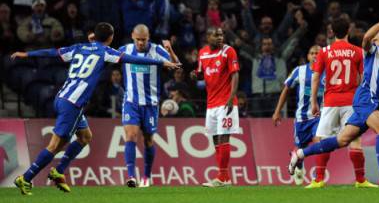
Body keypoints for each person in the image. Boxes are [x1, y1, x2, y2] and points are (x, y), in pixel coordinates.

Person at [11, 22, 180, 196]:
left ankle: (59, 171)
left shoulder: (78, 47)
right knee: (54, 146)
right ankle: (26, 178)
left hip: (62, 97)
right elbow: (133, 58)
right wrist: (160, 62)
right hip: (73, 104)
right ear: (111, 38)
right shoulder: (106, 52)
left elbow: (51, 53)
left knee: (85, 137)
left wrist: (26, 54)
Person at [289, 3, 379, 187]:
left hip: (375, 103)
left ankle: (300, 154)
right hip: (365, 98)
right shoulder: (371, 50)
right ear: (376, 38)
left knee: (342, 140)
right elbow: (367, 36)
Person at [309, 18, 377, 188]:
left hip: (330, 102)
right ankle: (360, 180)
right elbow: (363, 79)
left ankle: (318, 180)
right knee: (355, 141)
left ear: (332, 31)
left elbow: (316, 77)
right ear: (349, 31)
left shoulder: (324, 52)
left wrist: (313, 102)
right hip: (351, 102)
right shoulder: (357, 52)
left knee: (323, 140)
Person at [119, 24, 180, 188]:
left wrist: (170, 50)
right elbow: (104, 56)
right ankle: (131, 177)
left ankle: (146, 176)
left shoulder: (157, 50)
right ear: (132, 36)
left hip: (151, 104)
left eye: (143, 40)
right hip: (131, 102)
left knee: (148, 140)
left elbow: (177, 65)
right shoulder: (125, 49)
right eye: (138, 39)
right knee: (130, 136)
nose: (140, 43)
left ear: (148, 37)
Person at [190, 27, 240, 187]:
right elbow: (200, 73)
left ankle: (222, 177)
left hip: (226, 102)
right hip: (211, 104)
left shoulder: (228, 51)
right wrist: (195, 74)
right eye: (216, 35)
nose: (220, 37)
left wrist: (232, 98)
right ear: (207, 37)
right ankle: (224, 178)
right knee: (215, 140)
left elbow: (235, 74)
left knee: (223, 137)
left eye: (221, 34)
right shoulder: (202, 53)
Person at [272, 45, 323, 186]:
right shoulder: (299, 71)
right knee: (299, 149)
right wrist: (277, 111)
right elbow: (286, 89)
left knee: (319, 142)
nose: (315, 56)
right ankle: (300, 168)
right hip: (301, 119)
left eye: (317, 53)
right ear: (308, 56)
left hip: (319, 117)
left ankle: (318, 174)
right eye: (312, 53)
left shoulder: (328, 72)